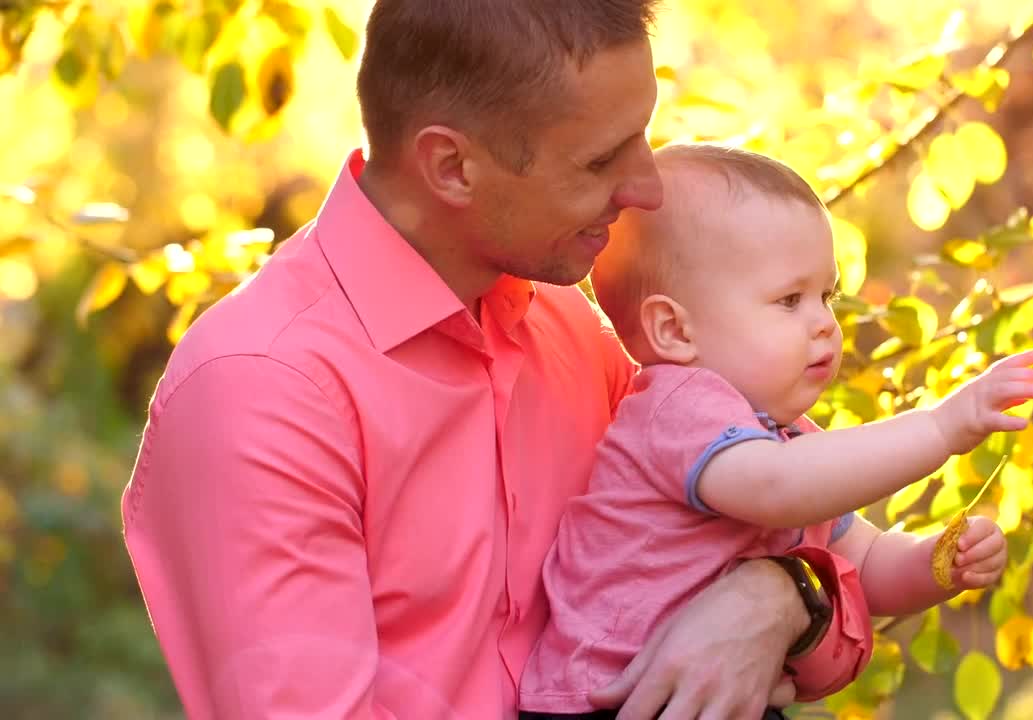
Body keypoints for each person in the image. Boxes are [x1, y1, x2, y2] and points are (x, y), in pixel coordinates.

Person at [121, 2, 882, 718]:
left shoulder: (577, 334)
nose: (646, 188)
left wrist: (778, 598)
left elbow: (817, 579)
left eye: (643, 136)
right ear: (452, 167)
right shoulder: (261, 391)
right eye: (599, 160)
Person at [517, 145, 1033, 719]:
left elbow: (867, 567)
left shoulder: (785, 438)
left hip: (709, 694)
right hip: (610, 701)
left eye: (828, 295)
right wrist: (943, 426)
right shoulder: (676, 405)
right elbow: (778, 489)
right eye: (789, 300)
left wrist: (937, 564)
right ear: (674, 330)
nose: (824, 322)